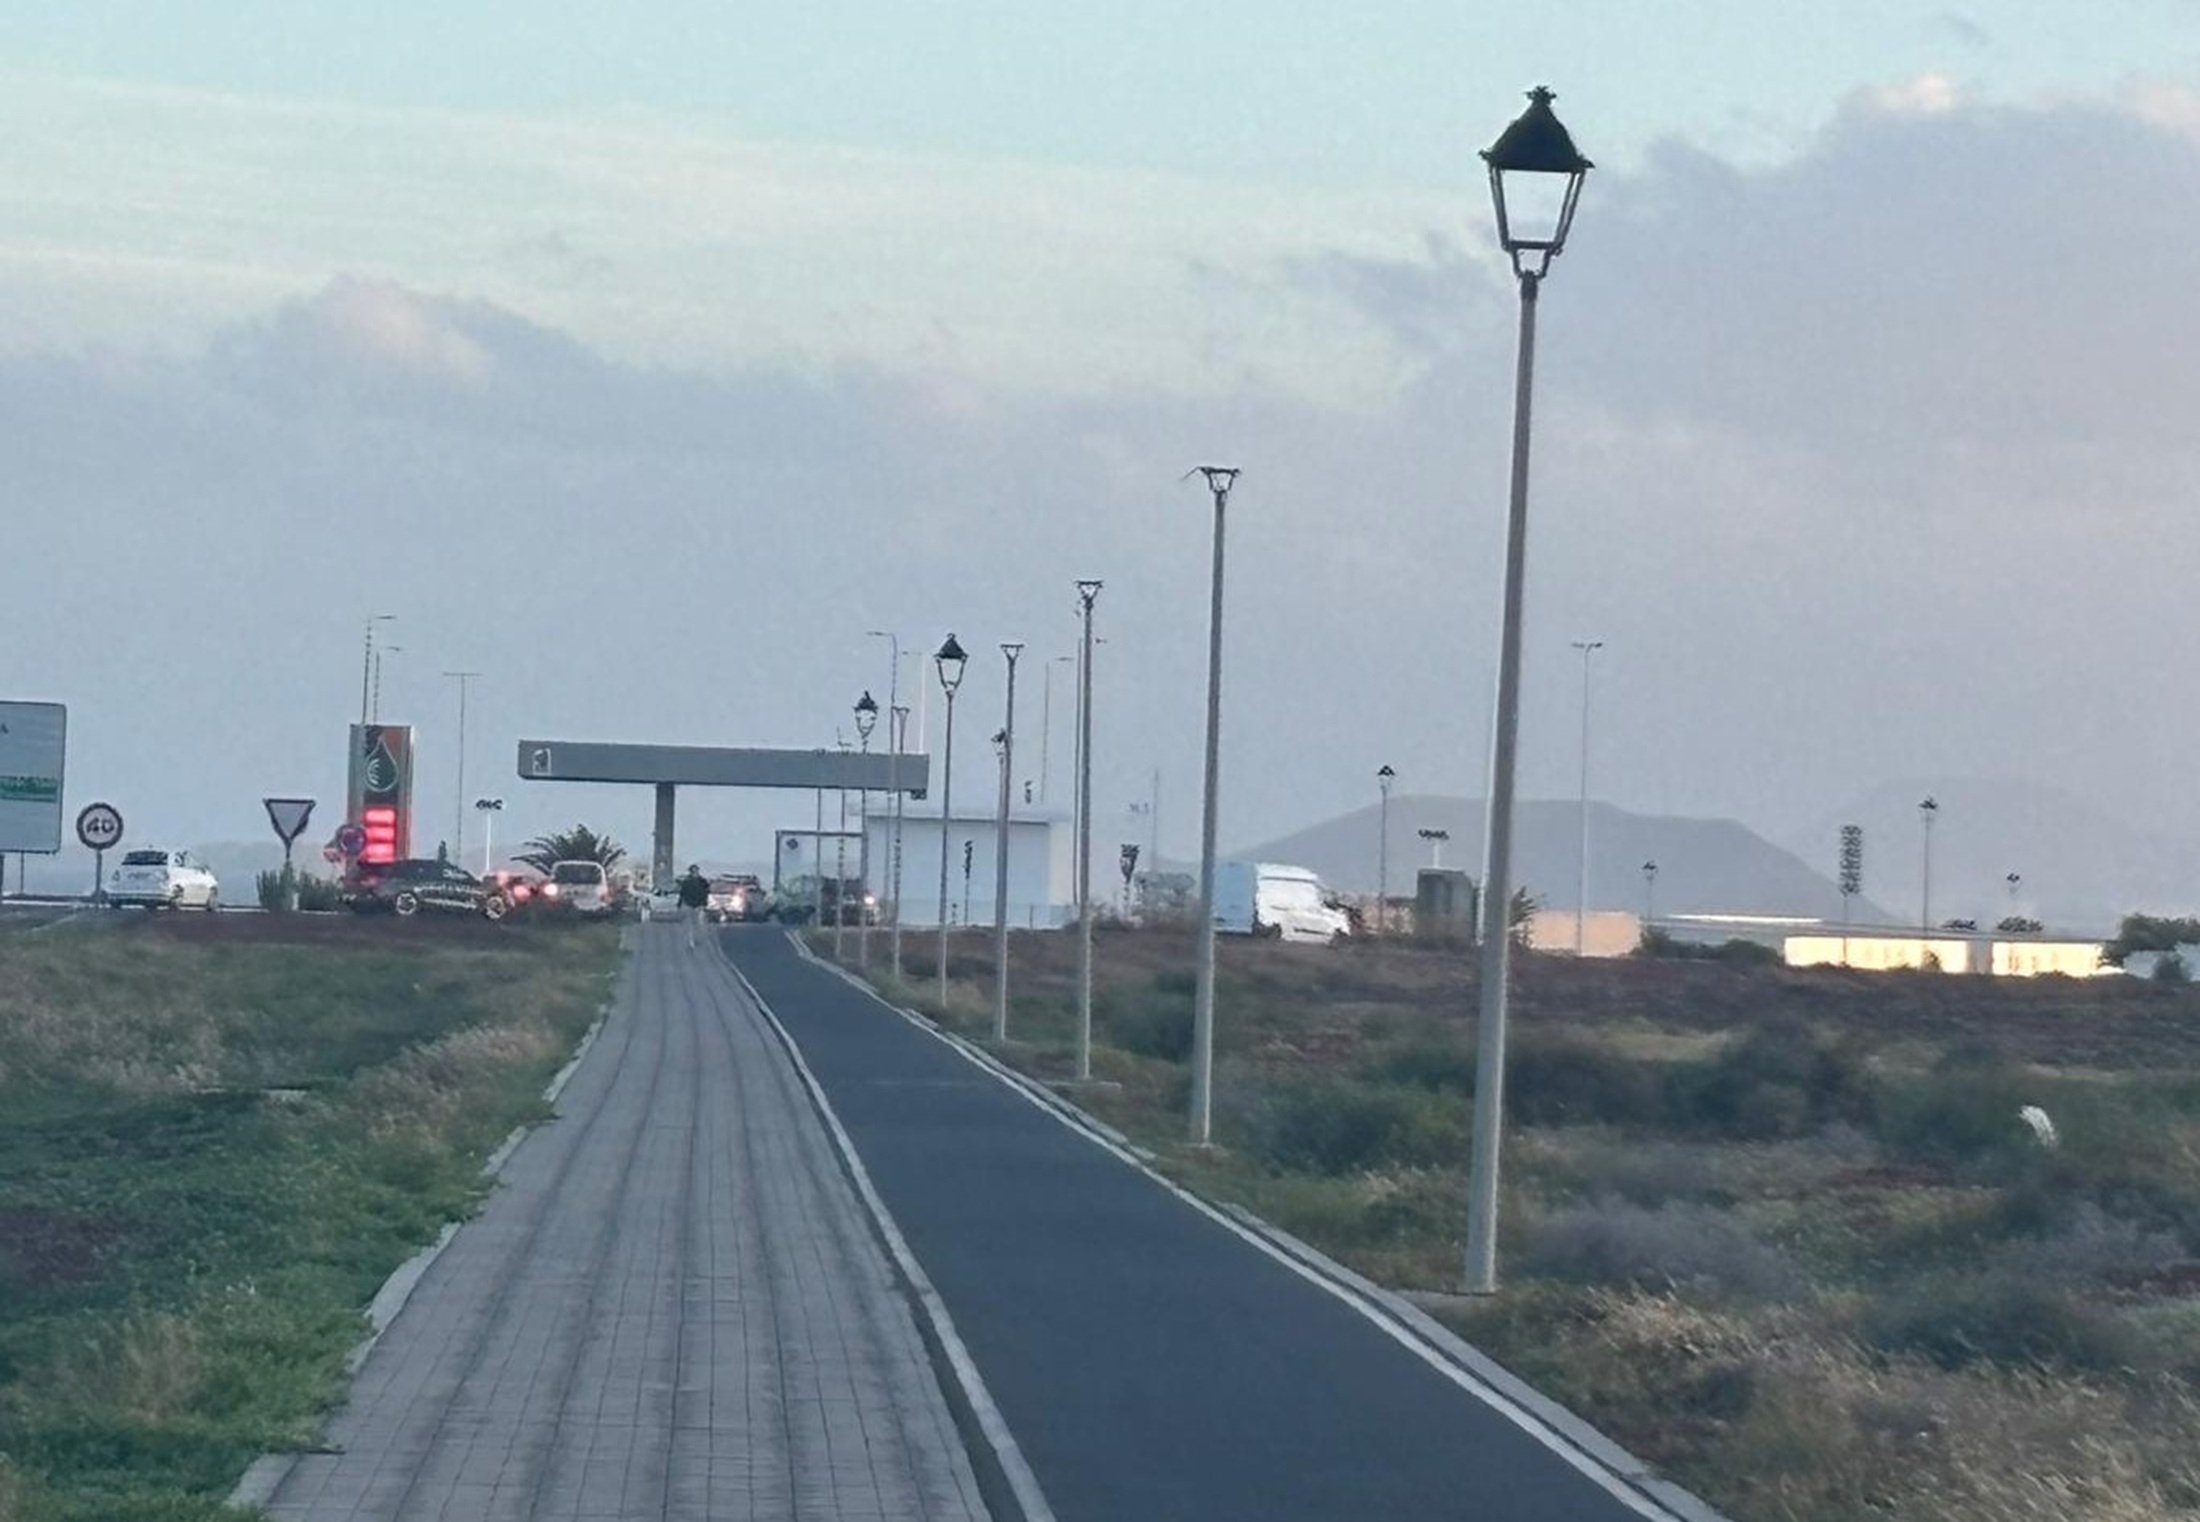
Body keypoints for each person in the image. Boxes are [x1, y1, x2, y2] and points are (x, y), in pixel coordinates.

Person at [677, 863, 710, 948]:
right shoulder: (687, 882)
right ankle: (691, 941)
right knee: (690, 925)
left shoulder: (702, 881)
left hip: (698, 906)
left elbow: (706, 893)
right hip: (689, 905)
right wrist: (680, 903)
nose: (694, 873)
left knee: (698, 925)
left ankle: (696, 939)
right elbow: (682, 894)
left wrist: (705, 903)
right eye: (693, 871)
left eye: (695, 871)